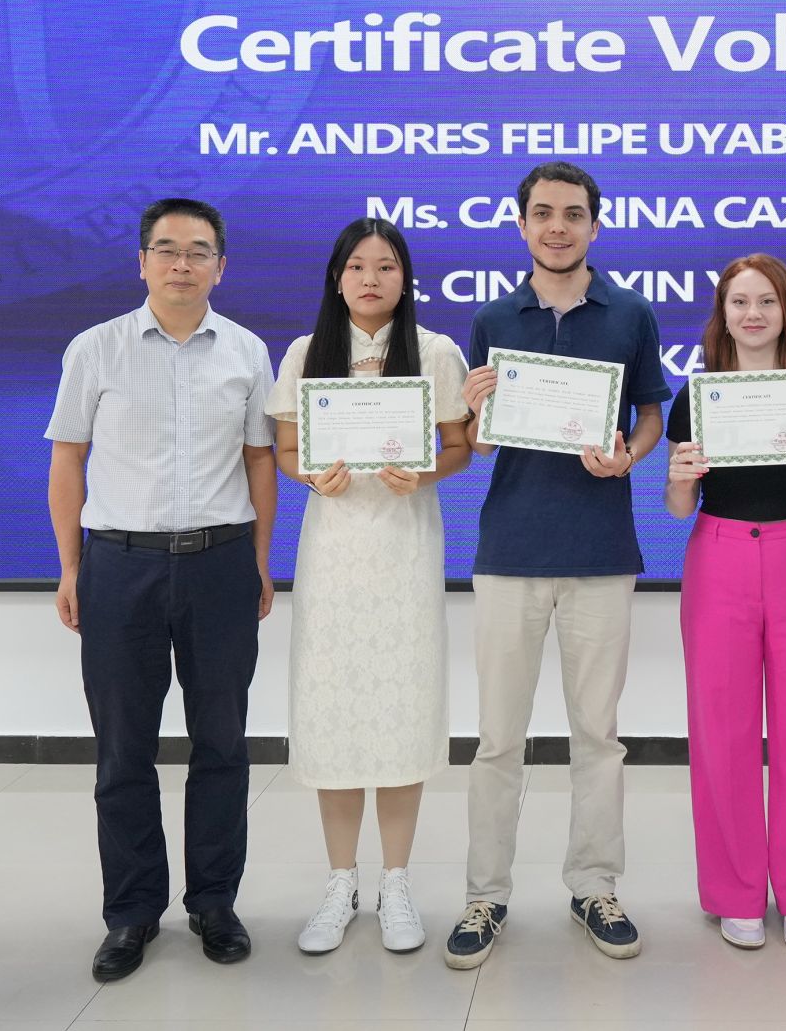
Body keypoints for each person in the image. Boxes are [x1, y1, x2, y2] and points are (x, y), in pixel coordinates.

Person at [443, 161, 671, 970]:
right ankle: (485, 895)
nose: (558, 227)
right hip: (509, 551)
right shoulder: (491, 318)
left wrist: (628, 456)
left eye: (573, 214)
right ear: (522, 224)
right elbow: (479, 445)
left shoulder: (630, 313)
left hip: (601, 551)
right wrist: (476, 412)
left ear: (594, 226)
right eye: (543, 213)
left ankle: (594, 885)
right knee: (498, 738)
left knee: (597, 737)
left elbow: (651, 414)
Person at [45, 197, 278, 983]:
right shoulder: (96, 348)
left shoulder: (246, 351)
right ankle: (131, 911)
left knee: (222, 743)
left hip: (220, 562)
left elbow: (259, 461)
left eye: (199, 250)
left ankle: (214, 902)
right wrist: (71, 567)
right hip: (120, 565)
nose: (183, 263)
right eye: (168, 249)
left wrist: (260, 561)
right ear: (142, 261)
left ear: (221, 265)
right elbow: (68, 458)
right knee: (123, 750)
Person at [266, 218, 473, 956]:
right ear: (337, 277)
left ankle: (396, 882)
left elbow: (460, 444)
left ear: (404, 279)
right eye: (357, 265)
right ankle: (338, 882)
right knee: (335, 714)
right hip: (334, 553)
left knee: (400, 712)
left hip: (405, 551)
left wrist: (426, 472)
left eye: (386, 266)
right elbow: (285, 447)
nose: (371, 278)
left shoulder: (436, 352)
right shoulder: (305, 352)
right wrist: (307, 474)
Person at [664, 254, 786, 952]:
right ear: (722, 314)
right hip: (719, 556)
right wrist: (680, 477)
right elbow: (678, 505)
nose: (753, 314)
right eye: (739, 301)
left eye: (766, 301)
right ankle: (735, 892)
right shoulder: (696, 398)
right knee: (723, 729)